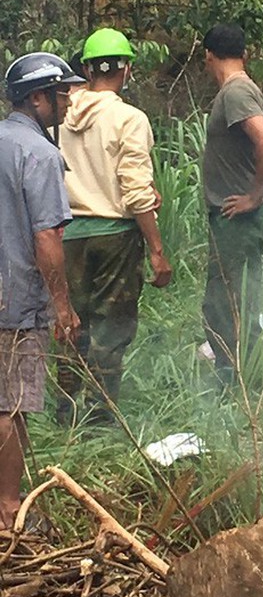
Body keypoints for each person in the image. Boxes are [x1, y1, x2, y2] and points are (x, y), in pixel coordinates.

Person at [58, 28, 172, 424]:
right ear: (126, 69)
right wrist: (157, 250)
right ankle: (101, 420)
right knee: (110, 330)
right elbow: (137, 193)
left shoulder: (60, 115)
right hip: (114, 239)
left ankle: (66, 413)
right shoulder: (129, 119)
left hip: (68, 234)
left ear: (87, 69)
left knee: (73, 323)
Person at [0, 53, 82, 527]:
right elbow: (48, 236)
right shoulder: (40, 154)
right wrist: (62, 307)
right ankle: (10, 507)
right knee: (10, 403)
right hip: (15, 299)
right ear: (38, 98)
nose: (69, 100)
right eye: (62, 93)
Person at [202, 23, 263, 387]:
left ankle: (240, 380)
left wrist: (254, 195)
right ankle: (238, 375)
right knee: (227, 302)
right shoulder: (239, 89)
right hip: (230, 219)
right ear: (244, 54)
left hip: (237, 220)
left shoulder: (236, 92)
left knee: (231, 304)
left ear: (208, 56)